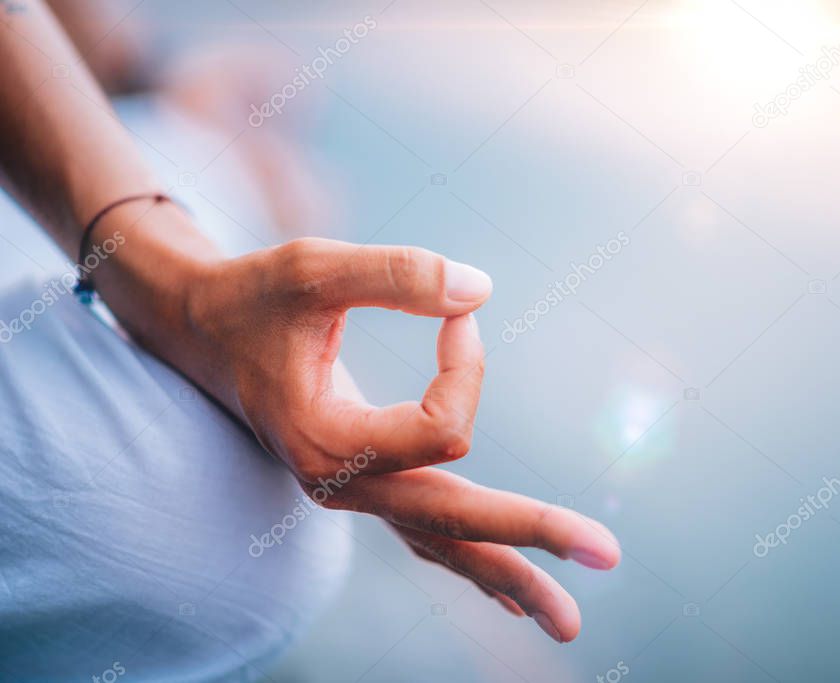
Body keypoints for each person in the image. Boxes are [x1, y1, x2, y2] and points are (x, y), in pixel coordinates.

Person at [0, 1, 620, 679]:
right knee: (207, 539)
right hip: (165, 163)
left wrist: (147, 101)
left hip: (159, 153)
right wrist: (175, 275)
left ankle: (181, 124)